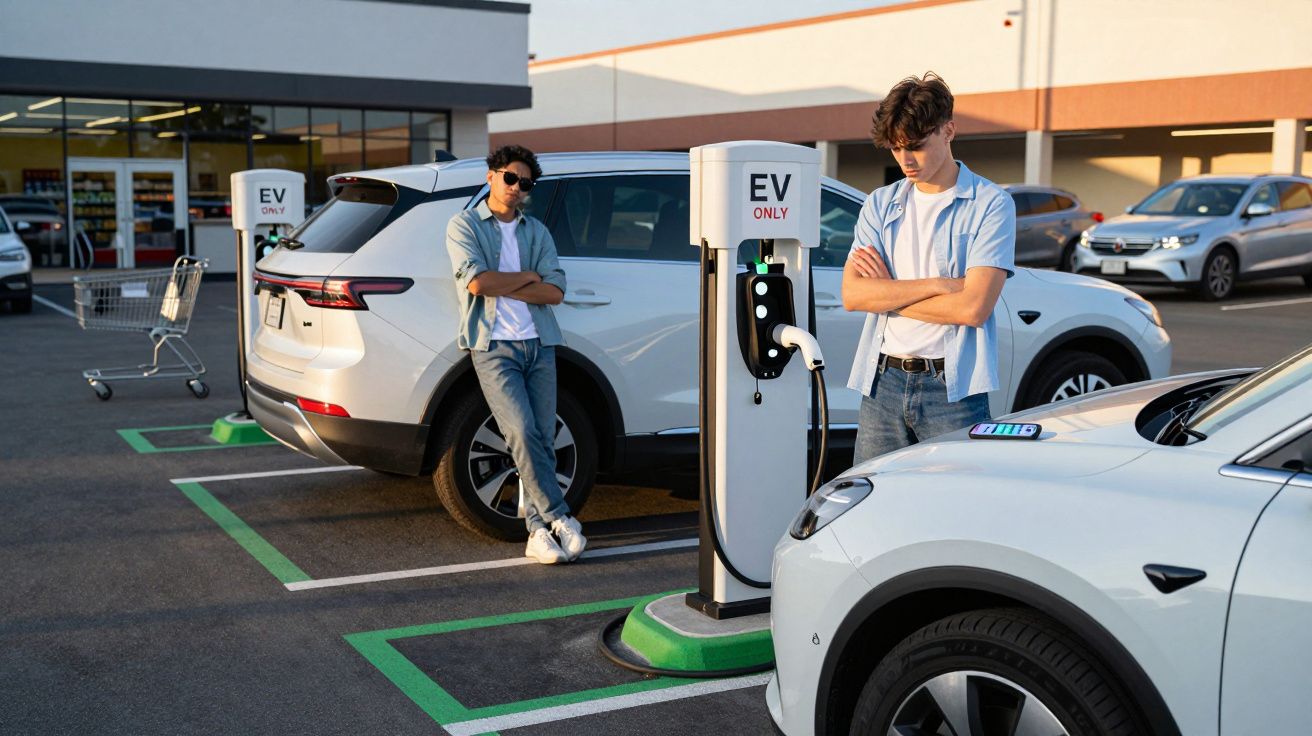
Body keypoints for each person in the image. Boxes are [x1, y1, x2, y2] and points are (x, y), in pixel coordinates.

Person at [842, 73, 1016, 464]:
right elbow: (853, 295)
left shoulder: (990, 204)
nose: (905, 160)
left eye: (916, 146)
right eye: (896, 147)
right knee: (875, 495)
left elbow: (973, 309)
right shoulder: (879, 204)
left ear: (948, 130)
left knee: (955, 496)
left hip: (951, 389)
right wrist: (939, 285)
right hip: (882, 382)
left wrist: (886, 293)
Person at [445, 144, 586, 564]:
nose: (516, 187)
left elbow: (555, 291)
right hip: (493, 346)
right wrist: (527, 277)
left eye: (525, 183)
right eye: (510, 178)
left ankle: (537, 533)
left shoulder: (536, 231)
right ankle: (560, 516)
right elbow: (477, 283)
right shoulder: (464, 225)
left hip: (539, 343)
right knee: (521, 432)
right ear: (491, 176)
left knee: (543, 438)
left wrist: (506, 281)